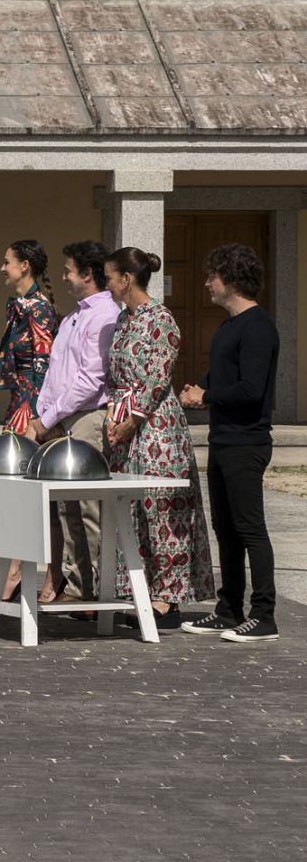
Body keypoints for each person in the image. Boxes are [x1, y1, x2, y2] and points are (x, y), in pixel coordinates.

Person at [103, 246, 213, 632]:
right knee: (131, 511)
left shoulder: (160, 319)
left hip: (155, 429)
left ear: (126, 279)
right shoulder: (121, 321)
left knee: (162, 508)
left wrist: (133, 420)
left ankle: (167, 596)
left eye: (109, 277)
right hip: (123, 428)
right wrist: (114, 421)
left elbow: (155, 376)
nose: (107, 284)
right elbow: (115, 376)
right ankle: (138, 589)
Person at [179, 244, 280, 643]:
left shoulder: (258, 327)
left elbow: (252, 390)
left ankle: (264, 615)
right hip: (222, 440)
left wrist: (206, 397)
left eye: (212, 276)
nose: (206, 283)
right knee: (226, 529)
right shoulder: (227, 327)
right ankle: (229, 610)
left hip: (246, 442)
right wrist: (201, 386)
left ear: (231, 280)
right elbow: (222, 375)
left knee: (250, 528)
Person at [24, 240, 117, 604]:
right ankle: (73, 584)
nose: (63, 276)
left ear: (88, 274)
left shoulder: (103, 315)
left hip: (87, 418)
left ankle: (87, 589)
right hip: (62, 420)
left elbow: (90, 381)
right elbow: (56, 373)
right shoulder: (76, 315)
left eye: (68, 270)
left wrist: (49, 417)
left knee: (86, 506)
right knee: (66, 508)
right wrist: (43, 417)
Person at [0, 239, 57, 436]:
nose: (2, 268)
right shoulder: (21, 306)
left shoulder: (38, 308)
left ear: (24, 266)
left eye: (7, 262)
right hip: (20, 398)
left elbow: (43, 361)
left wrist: (36, 415)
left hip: (30, 404)